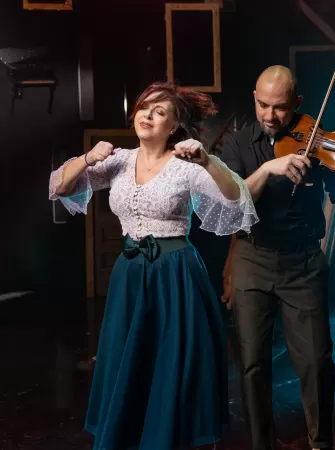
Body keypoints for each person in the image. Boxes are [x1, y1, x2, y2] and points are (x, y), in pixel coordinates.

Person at [48, 81, 259, 450]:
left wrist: (207, 161)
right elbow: (60, 188)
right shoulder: (118, 161)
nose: (147, 115)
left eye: (160, 112)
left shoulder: (186, 166)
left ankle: (166, 437)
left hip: (174, 272)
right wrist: (87, 158)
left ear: (173, 125)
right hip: (130, 272)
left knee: (170, 359)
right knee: (128, 357)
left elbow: (236, 200)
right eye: (144, 108)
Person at [220, 65, 335, 450]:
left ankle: (320, 443)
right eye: (263, 105)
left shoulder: (319, 139)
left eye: (280, 107)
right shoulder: (238, 143)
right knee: (252, 362)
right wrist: (269, 168)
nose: (270, 115)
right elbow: (233, 203)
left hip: (303, 262)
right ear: (254, 98)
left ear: (296, 103)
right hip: (252, 256)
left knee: (316, 360)